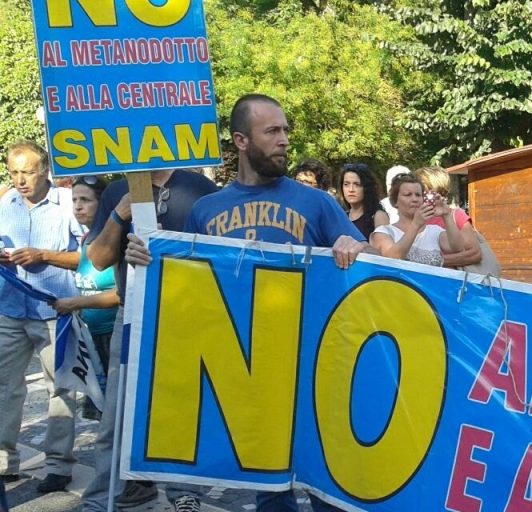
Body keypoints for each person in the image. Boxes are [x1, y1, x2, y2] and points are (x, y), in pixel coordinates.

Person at [125, 93, 371, 512]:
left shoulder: (315, 202)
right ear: (241, 140)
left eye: (286, 130)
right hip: (242, 370)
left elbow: (370, 254)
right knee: (269, 487)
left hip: (311, 366)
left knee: (326, 484)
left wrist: (356, 245)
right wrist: (147, 260)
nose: (284, 140)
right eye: (272, 131)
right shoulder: (206, 209)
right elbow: (186, 281)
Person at [80, 167, 219, 512]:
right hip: (132, 319)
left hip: (187, 317)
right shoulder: (117, 191)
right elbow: (97, 260)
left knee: (181, 415)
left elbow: (220, 251)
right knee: (115, 416)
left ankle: (183, 492)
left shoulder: (201, 188)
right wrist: (119, 214)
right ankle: (101, 499)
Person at [0, 141, 80, 493]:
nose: (20, 180)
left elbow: (92, 255)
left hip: (55, 310)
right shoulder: (5, 204)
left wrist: (43, 256)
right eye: (14, 172)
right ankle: (4, 464)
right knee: (4, 389)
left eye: (28, 172)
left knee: (60, 389)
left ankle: (59, 465)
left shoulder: (68, 205)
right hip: (9, 308)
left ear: (45, 170)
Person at [52, 176, 119, 420]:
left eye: (85, 200)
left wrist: (76, 303)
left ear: (102, 204)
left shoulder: (115, 241)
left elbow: (122, 293)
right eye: (74, 200)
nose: (78, 206)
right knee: (101, 415)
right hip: (91, 337)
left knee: (115, 412)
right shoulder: (85, 238)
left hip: (113, 337)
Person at [372, 173, 464, 266]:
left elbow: (458, 248)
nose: (414, 199)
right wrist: (415, 225)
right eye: (408, 195)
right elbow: (393, 258)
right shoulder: (384, 232)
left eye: (418, 195)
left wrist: (446, 215)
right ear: (395, 202)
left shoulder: (434, 231)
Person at [411, 166, 482, 268]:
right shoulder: (412, 216)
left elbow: (474, 254)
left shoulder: (456, 215)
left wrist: (434, 260)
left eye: (422, 190)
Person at [339, 162, 389, 239]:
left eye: (357, 184)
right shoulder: (341, 216)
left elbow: (385, 249)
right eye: (346, 184)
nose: (351, 190)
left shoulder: (378, 216)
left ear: (367, 187)